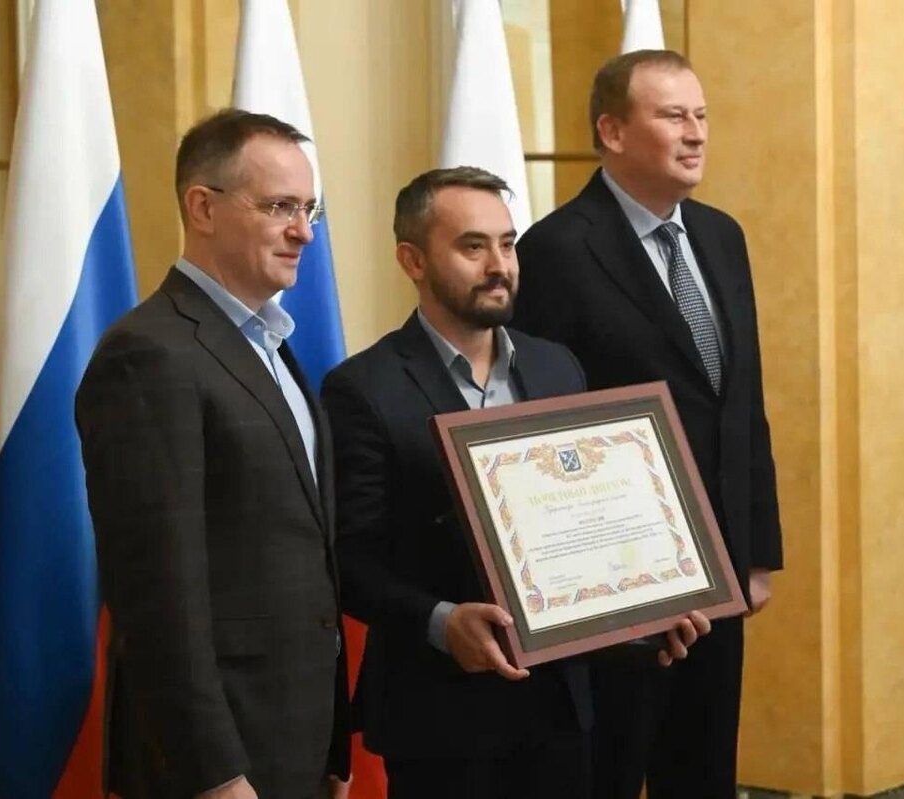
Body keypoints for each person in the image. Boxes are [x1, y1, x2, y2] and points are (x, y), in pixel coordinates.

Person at [321, 167, 708, 799]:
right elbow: (350, 558)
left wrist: (648, 610)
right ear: (412, 260)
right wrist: (442, 621)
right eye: (472, 246)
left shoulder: (558, 366)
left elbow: (592, 523)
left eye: (507, 244)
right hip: (441, 721)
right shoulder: (363, 388)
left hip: (563, 710)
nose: (498, 265)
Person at [513, 50, 784, 799]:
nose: (695, 133)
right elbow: (543, 428)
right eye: (672, 116)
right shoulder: (555, 251)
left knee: (702, 772)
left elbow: (742, 400)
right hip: (618, 578)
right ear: (612, 131)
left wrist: (756, 549)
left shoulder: (721, 236)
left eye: (701, 116)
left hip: (719, 563)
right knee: (611, 770)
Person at [75, 109, 350, 799]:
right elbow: (156, 595)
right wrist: (214, 774)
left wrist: (333, 744)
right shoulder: (148, 354)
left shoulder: (271, 345)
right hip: (216, 762)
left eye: (309, 208)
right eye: (280, 207)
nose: (304, 232)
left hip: (297, 741)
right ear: (202, 207)